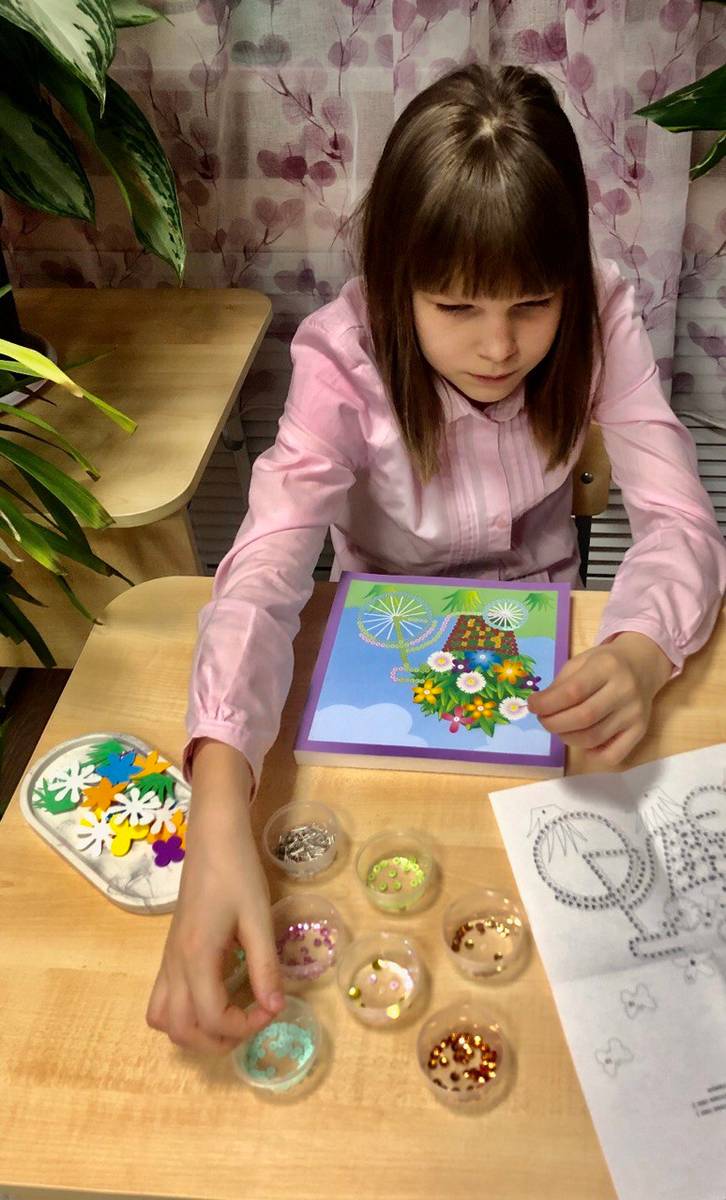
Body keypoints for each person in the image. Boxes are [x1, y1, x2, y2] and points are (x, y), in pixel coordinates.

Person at [146, 63, 726, 1053]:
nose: (498, 348)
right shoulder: (344, 353)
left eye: (532, 304)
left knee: (550, 927)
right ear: (396, 279)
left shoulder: (602, 312)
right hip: (377, 642)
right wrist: (217, 794)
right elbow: (267, 565)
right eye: (456, 308)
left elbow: (681, 522)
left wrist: (639, 649)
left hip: (542, 640)